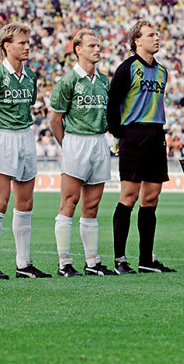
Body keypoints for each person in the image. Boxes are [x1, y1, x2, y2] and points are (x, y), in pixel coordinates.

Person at [0, 22, 50, 279]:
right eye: (22, 43)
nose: (27, 47)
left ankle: (24, 264)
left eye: (28, 42)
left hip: (25, 136)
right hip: (2, 136)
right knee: (0, 201)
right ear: (7, 46)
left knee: (26, 202)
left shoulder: (30, 76)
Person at [107, 20, 175, 274]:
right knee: (129, 196)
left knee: (151, 198)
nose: (156, 38)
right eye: (150, 35)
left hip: (156, 134)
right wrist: (119, 134)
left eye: (157, 34)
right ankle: (119, 260)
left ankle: (146, 260)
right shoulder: (127, 69)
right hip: (133, 134)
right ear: (137, 41)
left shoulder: (162, 71)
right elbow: (113, 105)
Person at [49, 29, 116, 277]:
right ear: (78, 49)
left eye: (98, 45)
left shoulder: (103, 81)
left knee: (92, 205)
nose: (97, 49)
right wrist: (66, 145)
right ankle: (64, 262)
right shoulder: (68, 81)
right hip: (76, 141)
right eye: (91, 46)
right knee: (69, 202)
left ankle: (92, 261)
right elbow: (55, 119)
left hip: (99, 141)